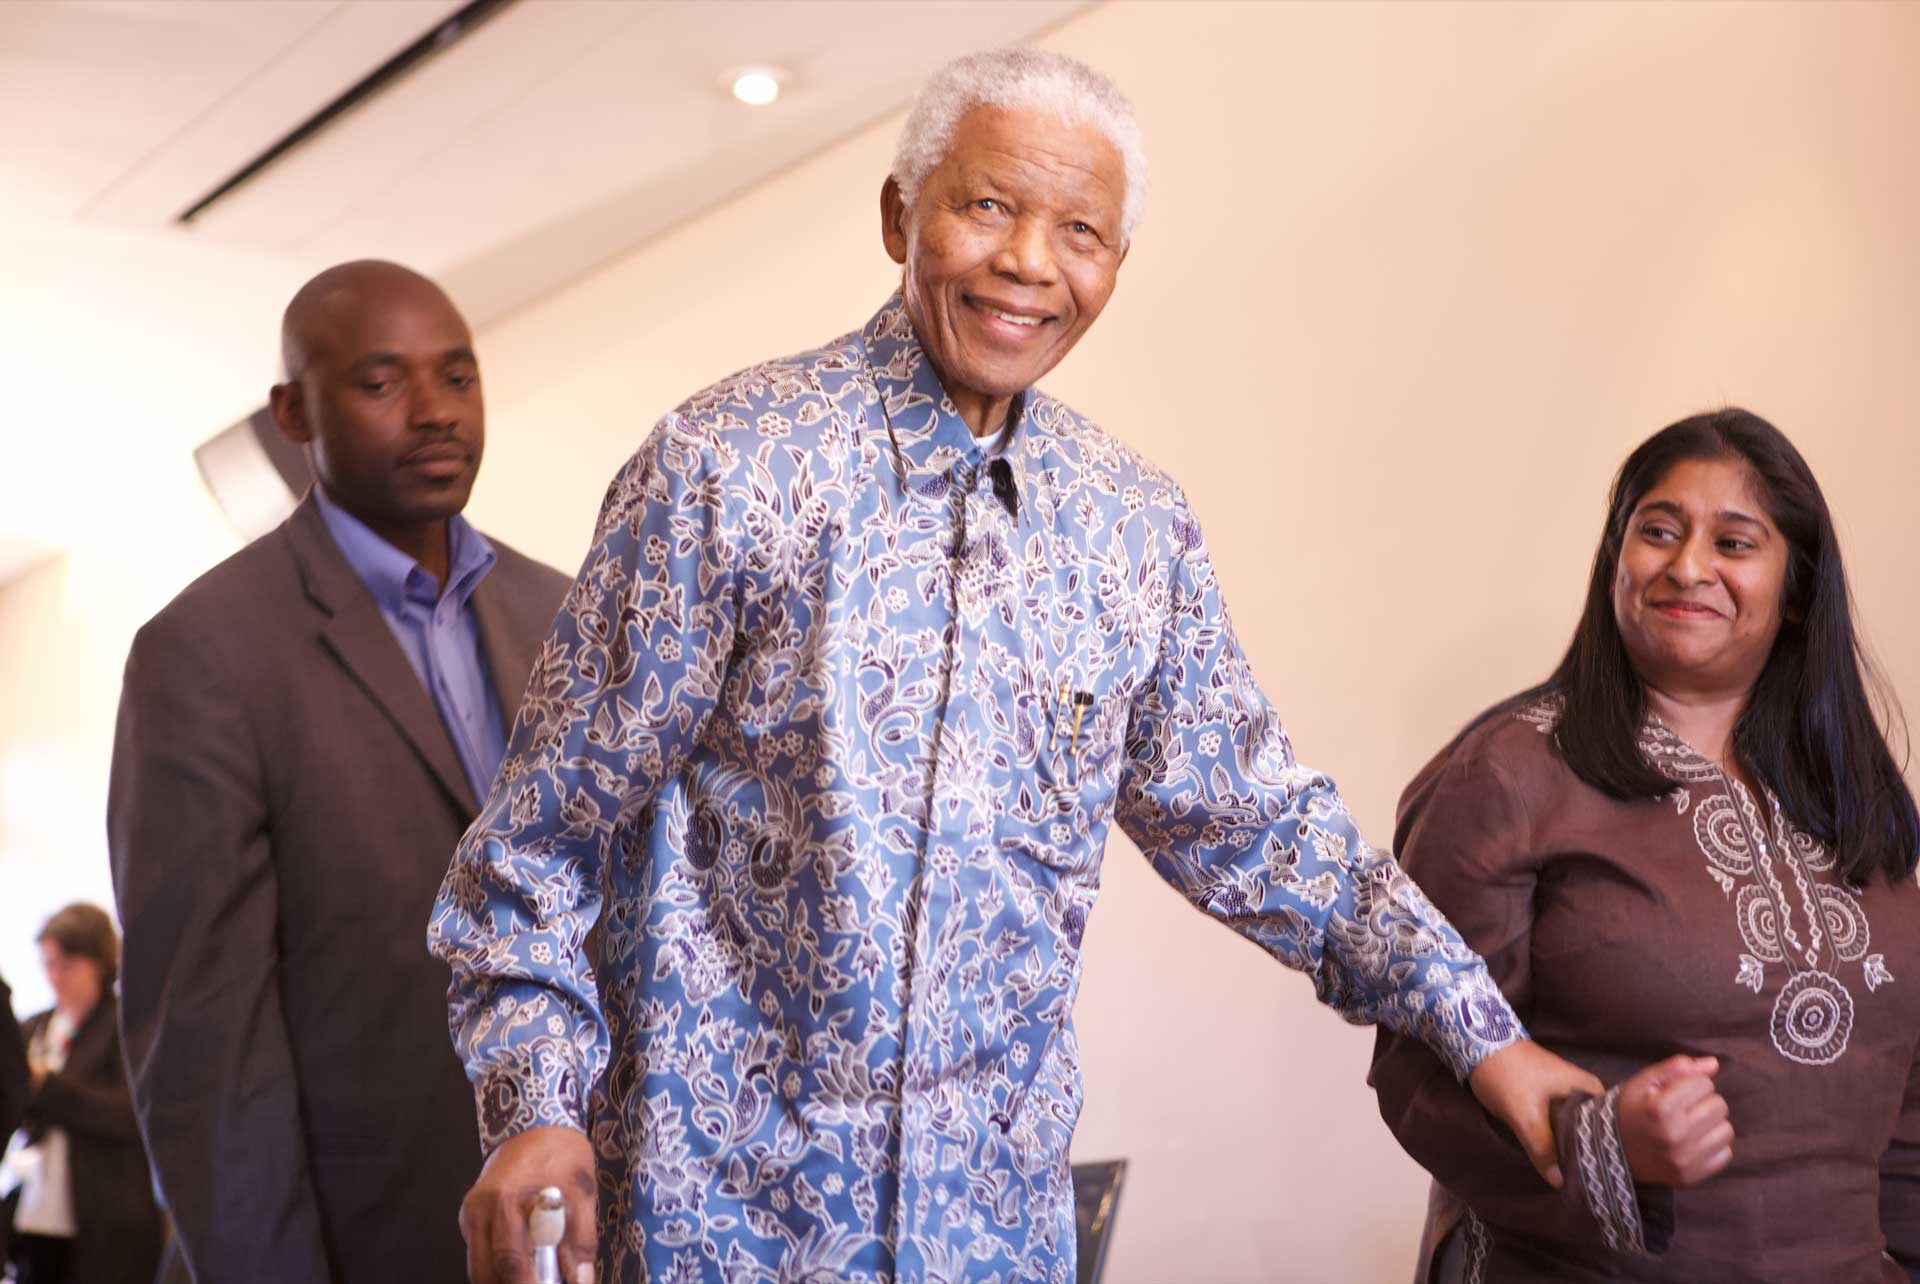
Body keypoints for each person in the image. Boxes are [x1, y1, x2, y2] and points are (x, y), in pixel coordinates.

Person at [431, 49, 1598, 1284]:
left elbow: (1256, 823)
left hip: (993, 1235)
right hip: (724, 1232)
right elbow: (538, 847)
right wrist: (533, 1107)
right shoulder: (727, 468)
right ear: (901, 216)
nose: (1031, 262)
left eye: (1080, 231)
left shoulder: (1133, 529)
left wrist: (1480, 1031)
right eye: (988, 205)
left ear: (1115, 267)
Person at [1371, 408, 1920, 1283]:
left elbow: (1905, 1100)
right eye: (1658, 532)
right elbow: (1419, 1069)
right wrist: (1600, 1141)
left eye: (1733, 543)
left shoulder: (1851, 792)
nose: (1688, 566)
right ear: (1615, 560)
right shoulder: (1508, 775)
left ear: (1797, 590)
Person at [108, 261, 572, 1284]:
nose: (435, 410)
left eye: (458, 376)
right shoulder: (206, 652)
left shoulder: (563, 614)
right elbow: (203, 1046)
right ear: (293, 413)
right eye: (380, 382)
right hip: (359, 1238)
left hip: (571, 1225)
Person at [1, 904, 161, 1284]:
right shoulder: (35, 1026)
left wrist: (44, 1085)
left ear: (100, 962)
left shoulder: (127, 1027)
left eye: (68, 965)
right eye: (49, 964)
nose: (55, 976)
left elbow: (131, 1113)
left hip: (107, 1219)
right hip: (37, 1210)